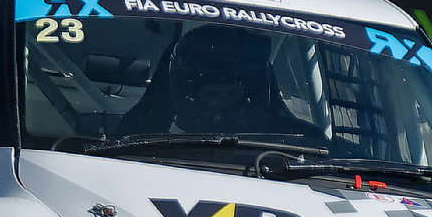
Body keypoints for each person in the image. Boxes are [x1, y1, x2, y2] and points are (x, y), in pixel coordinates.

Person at [119, 23, 303, 136]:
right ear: (184, 94)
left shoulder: (300, 145)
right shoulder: (132, 140)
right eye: (212, 94)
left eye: (232, 94)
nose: (221, 105)